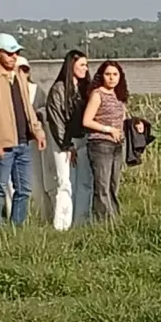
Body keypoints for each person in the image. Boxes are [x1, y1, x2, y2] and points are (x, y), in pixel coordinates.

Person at [0, 33, 46, 226]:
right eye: (9, 53)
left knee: (24, 189)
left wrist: (37, 131)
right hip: (2, 144)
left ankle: (17, 227)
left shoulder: (18, 76)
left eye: (16, 53)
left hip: (23, 141)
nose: (14, 57)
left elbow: (27, 108)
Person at [45, 50, 93, 230]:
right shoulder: (58, 89)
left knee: (84, 182)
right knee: (65, 182)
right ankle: (62, 225)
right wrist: (67, 145)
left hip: (83, 139)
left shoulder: (86, 89)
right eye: (81, 65)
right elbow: (56, 119)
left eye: (86, 65)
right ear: (71, 65)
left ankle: (81, 221)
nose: (85, 69)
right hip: (64, 142)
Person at [82, 61, 129, 221]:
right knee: (102, 185)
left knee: (113, 184)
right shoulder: (97, 94)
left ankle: (115, 218)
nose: (111, 78)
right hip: (100, 144)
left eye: (115, 74)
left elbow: (122, 118)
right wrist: (108, 129)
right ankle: (103, 221)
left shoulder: (119, 95)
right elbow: (87, 121)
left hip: (117, 144)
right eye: (108, 74)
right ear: (102, 76)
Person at [8, 57, 51, 223]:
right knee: (11, 183)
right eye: (19, 69)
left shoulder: (36, 90)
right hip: (11, 140)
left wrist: (38, 117)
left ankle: (44, 216)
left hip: (32, 140)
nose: (22, 73)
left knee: (37, 181)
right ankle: (15, 218)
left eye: (25, 69)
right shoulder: (6, 89)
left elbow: (46, 108)